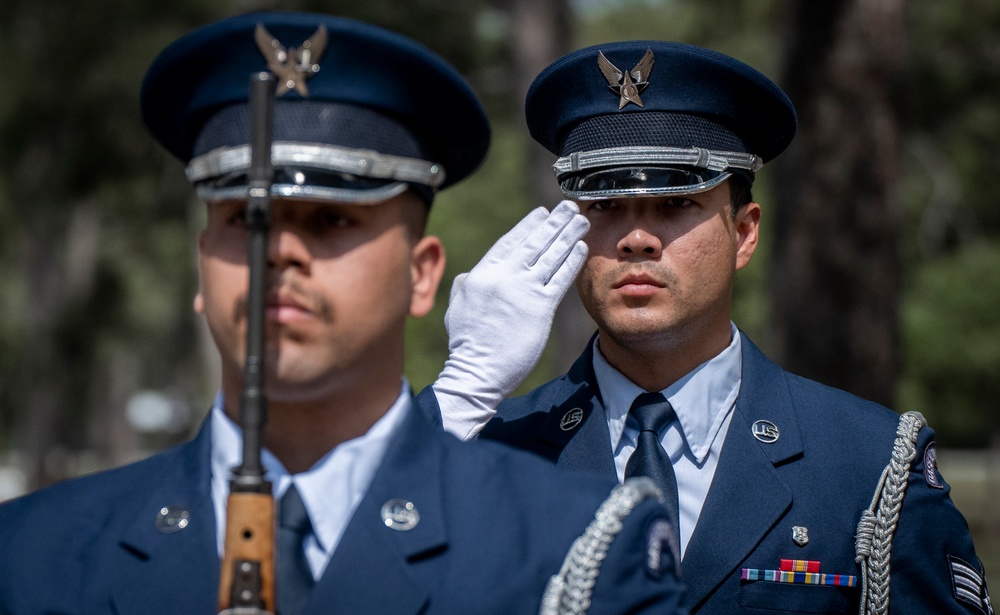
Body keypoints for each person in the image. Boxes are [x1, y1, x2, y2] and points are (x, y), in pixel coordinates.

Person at [0, 16, 689, 615]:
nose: (283, 252)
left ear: (422, 275)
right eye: (249, 218)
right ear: (203, 264)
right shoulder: (32, 555)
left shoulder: (574, 553)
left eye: (332, 218)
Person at [421, 41, 994, 614]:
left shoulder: (864, 461)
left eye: (675, 203)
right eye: (604, 204)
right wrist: (463, 390)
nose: (637, 238)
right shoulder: (483, 447)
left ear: (744, 234)